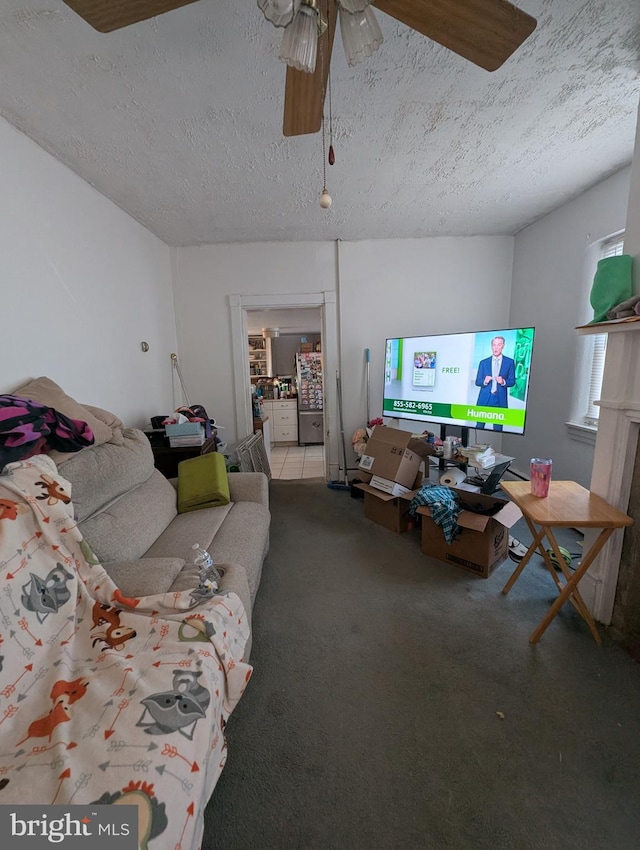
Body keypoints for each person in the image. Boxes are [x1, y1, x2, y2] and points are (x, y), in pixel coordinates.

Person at [474, 336, 515, 431]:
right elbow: (477, 381)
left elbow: (512, 381)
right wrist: (485, 381)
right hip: (485, 400)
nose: (496, 347)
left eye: (499, 345)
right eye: (494, 345)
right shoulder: (483, 363)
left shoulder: (509, 362)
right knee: (479, 426)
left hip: (499, 400)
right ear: (491, 346)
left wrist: (503, 381)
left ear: (503, 346)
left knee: (498, 428)